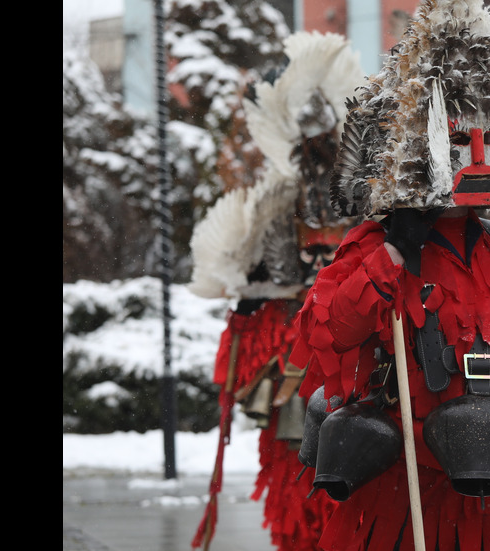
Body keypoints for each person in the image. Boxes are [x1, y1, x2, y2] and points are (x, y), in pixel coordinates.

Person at [287, 2, 490, 550]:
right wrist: (395, 251)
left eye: (485, 141)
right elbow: (324, 334)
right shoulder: (373, 248)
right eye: (454, 141)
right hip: (410, 486)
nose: (475, 156)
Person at [188, 30, 364, 551]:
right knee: (298, 463)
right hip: (299, 358)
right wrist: (251, 305)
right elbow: (255, 290)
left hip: (356, 354)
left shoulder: (368, 203)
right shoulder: (276, 207)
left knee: (360, 462)